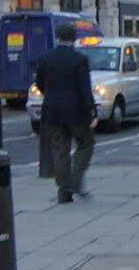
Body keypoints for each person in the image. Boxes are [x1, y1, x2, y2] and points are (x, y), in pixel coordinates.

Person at [32, 35, 96, 203]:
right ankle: (75, 180)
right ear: (73, 40)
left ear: (58, 38)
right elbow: (85, 89)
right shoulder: (79, 59)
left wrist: (51, 95)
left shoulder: (45, 59)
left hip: (52, 111)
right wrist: (92, 110)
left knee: (60, 150)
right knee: (86, 143)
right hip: (76, 112)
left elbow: (39, 83)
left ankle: (64, 189)